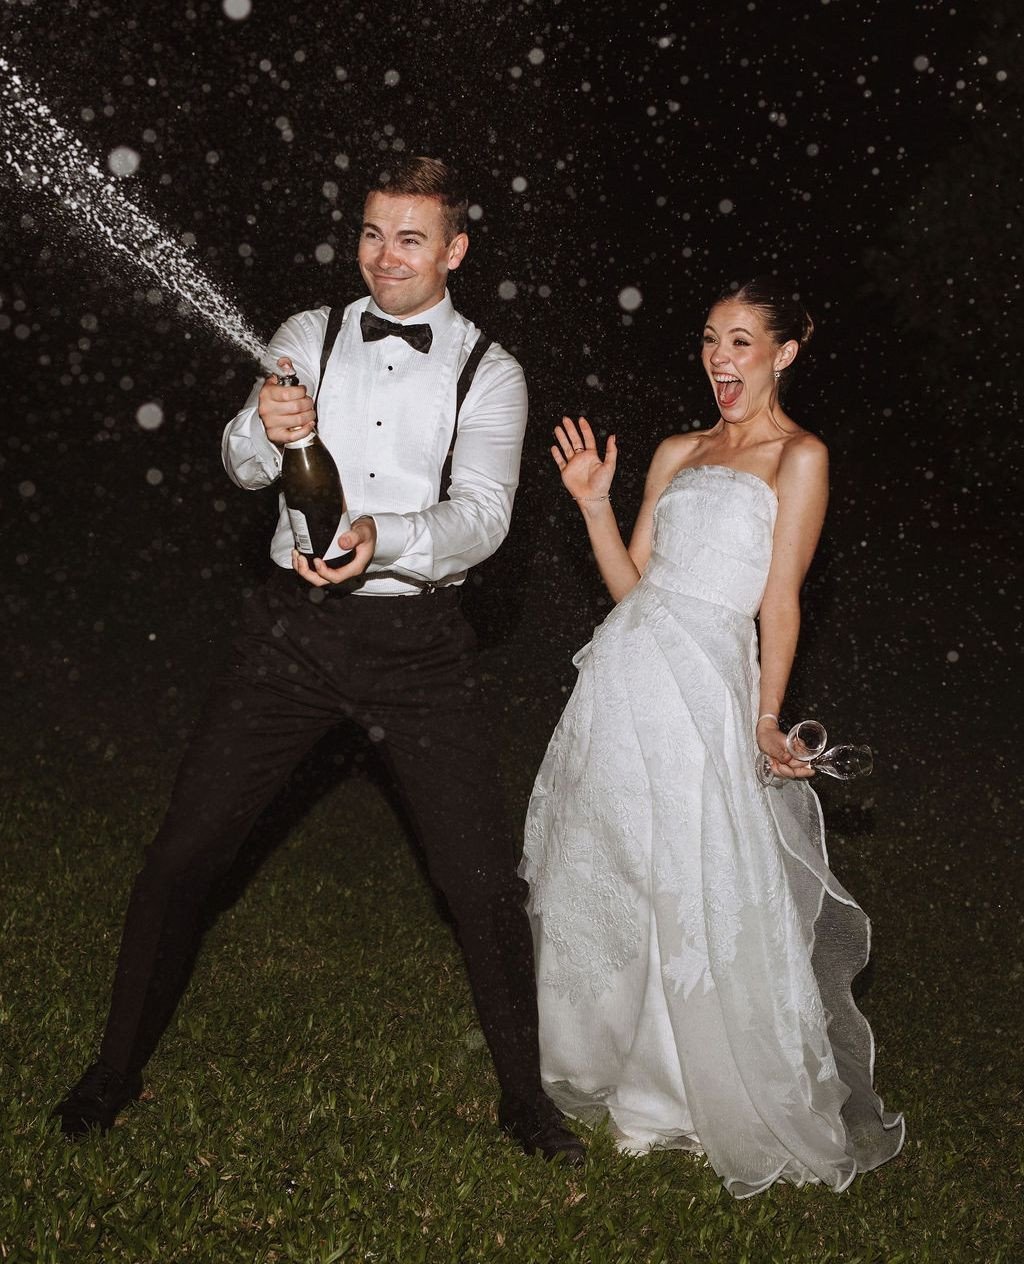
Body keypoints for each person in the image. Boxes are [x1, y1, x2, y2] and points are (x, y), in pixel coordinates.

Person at [55, 156, 584, 1165]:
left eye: (412, 238)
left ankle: (526, 1100)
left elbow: (483, 520)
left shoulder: (492, 371)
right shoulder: (309, 333)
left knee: (477, 882)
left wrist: (381, 536)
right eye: (374, 233)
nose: (386, 257)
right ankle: (113, 1070)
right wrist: (263, 425)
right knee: (183, 854)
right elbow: (239, 460)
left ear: (456, 250)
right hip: (291, 637)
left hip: (421, 647)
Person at [520, 277, 904, 1196]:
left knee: (694, 879)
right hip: (624, 681)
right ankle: (610, 1060)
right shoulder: (677, 449)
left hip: (709, 690)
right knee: (612, 869)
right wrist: (593, 504)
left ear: (785, 352)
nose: (719, 360)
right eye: (708, 341)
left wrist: (766, 716)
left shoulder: (799, 458)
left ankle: (677, 1094)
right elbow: (633, 588)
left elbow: (780, 601)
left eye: (740, 342)